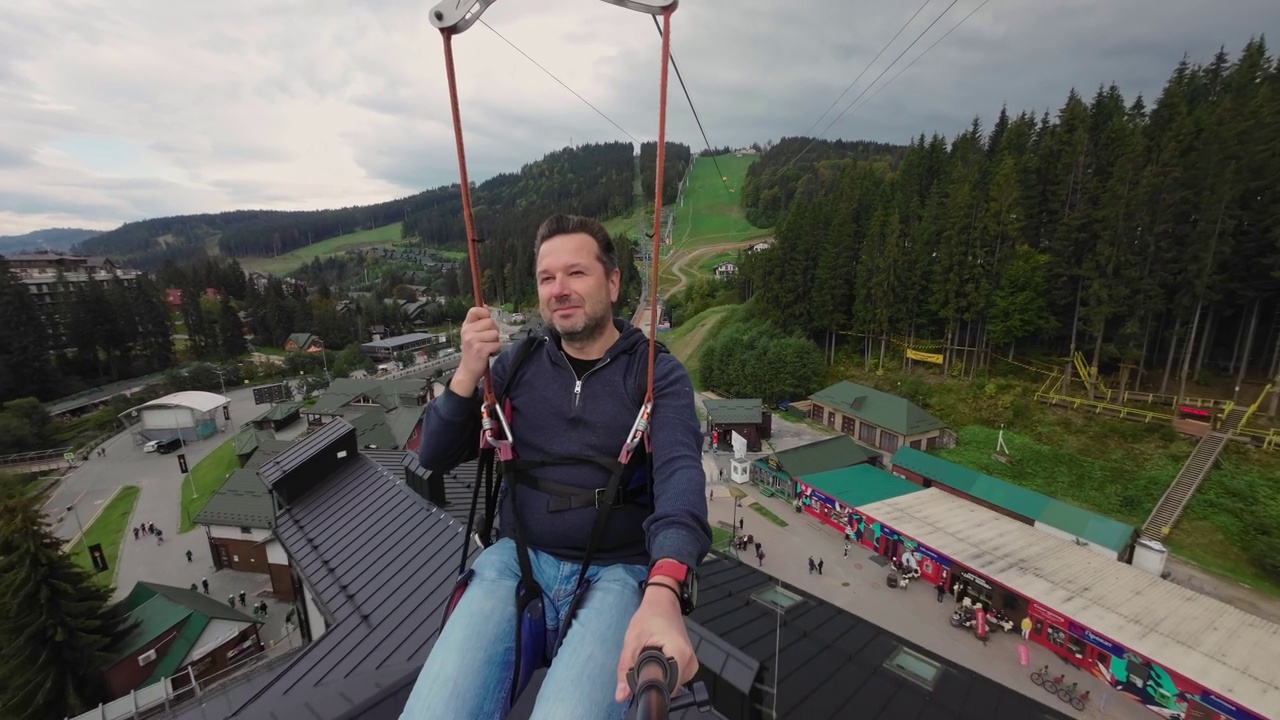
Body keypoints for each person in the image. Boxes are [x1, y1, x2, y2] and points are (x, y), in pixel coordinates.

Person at [400, 215, 710, 720]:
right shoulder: (516, 365)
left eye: (576, 274)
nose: (559, 290)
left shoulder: (655, 375)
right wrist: (466, 371)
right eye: (547, 278)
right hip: (515, 562)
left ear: (612, 283)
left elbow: (680, 476)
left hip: (617, 573)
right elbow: (433, 456)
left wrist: (664, 586)